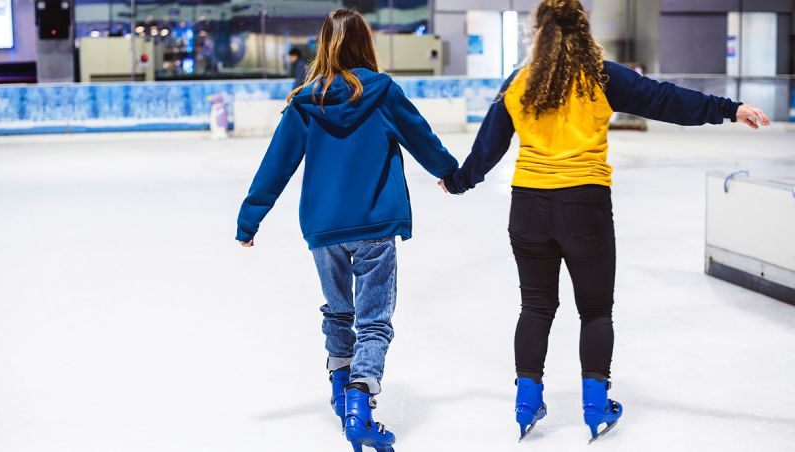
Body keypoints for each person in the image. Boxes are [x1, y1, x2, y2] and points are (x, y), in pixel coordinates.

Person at [438, 0, 770, 443]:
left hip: (529, 208)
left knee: (536, 307)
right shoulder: (601, 75)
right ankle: (595, 405)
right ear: (583, 29)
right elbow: (664, 99)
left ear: (536, 32)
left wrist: (458, 182)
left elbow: (486, 150)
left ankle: (526, 401)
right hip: (584, 207)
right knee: (595, 310)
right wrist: (730, 108)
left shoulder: (519, 82)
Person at [236, 8, 458, 452]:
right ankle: (359, 402)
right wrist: (450, 173)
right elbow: (421, 138)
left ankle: (341, 393)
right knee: (373, 321)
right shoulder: (382, 92)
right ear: (366, 43)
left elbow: (276, 165)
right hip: (375, 223)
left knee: (339, 311)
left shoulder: (306, 100)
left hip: (324, 227)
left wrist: (250, 218)